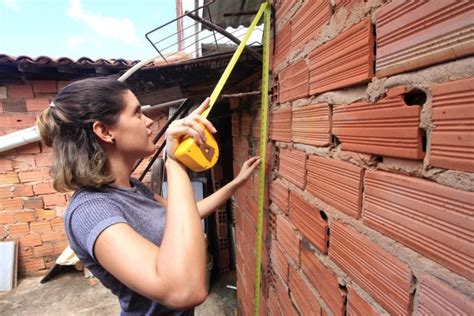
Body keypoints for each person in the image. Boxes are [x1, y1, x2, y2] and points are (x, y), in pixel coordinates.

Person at [37, 77, 260, 315]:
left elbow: (187, 214)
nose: (149, 121)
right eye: (136, 113)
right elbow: (185, 291)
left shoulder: (134, 188)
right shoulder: (90, 211)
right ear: (105, 131)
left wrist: (237, 183)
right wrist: (174, 163)